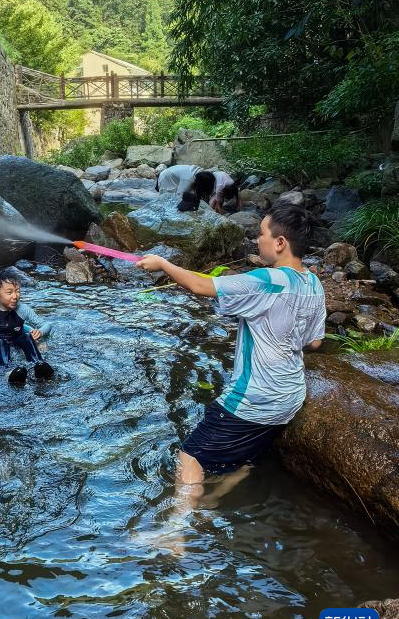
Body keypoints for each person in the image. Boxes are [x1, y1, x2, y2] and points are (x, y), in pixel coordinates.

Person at [136, 203, 325, 504]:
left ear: (280, 243)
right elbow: (314, 343)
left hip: (255, 400)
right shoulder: (314, 284)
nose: (256, 240)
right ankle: (211, 504)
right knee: (241, 459)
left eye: (261, 233)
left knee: (190, 457)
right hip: (290, 398)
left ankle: (177, 532)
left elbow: (201, 285)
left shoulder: (268, 280)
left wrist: (163, 264)